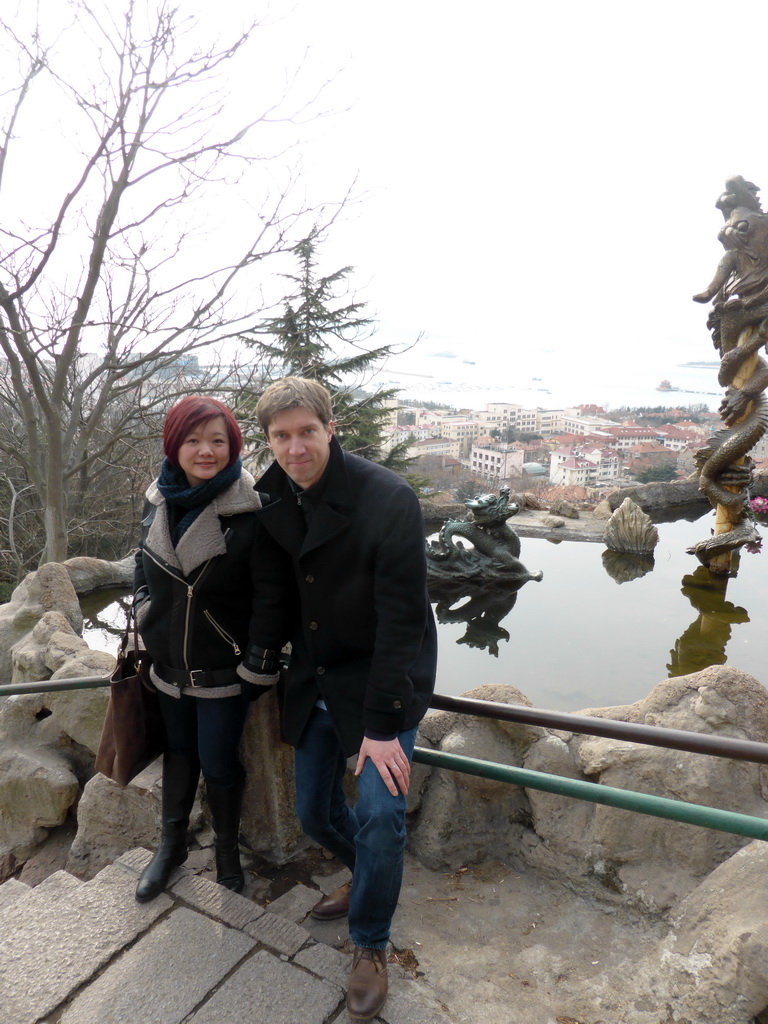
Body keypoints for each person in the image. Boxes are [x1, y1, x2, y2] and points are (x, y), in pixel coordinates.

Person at [251, 377, 437, 1022]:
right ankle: (370, 879)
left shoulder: (387, 498)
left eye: (307, 432)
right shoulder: (271, 495)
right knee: (314, 814)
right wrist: (254, 662)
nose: (295, 448)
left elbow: (403, 620)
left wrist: (383, 727)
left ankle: (370, 942)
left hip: (382, 689)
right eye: (281, 436)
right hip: (313, 680)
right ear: (269, 440)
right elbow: (274, 593)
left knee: (383, 818)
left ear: (332, 429)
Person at [132, 395, 282, 903]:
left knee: (219, 763)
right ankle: (170, 847)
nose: (205, 451)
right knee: (178, 755)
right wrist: (144, 609)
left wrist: (257, 665)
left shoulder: (250, 510)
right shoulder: (157, 500)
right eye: (193, 440)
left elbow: (271, 594)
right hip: (168, 663)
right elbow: (142, 563)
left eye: (218, 440)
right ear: (174, 445)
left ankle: (226, 855)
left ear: (233, 445)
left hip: (223, 669)